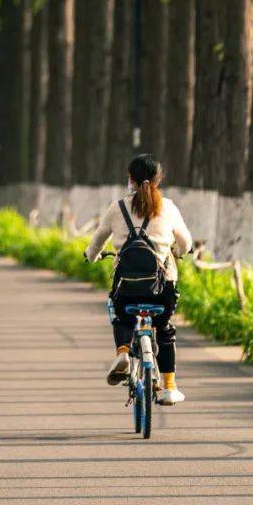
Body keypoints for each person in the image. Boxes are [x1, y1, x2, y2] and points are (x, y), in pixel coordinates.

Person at [85, 154, 192, 405]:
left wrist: (91, 256)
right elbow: (185, 243)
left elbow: (96, 241)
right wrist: (175, 252)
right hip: (162, 287)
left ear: (129, 178)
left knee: (121, 315)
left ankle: (123, 351)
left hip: (127, 287)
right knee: (164, 329)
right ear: (158, 179)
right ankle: (169, 386)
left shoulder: (117, 207)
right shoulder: (168, 207)